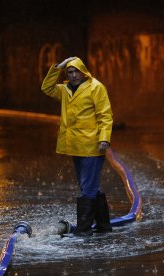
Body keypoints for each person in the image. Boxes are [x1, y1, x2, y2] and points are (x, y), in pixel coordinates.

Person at [41, 57, 113, 236]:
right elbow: (47, 88)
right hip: (75, 146)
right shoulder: (65, 90)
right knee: (88, 186)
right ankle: (103, 225)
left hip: (91, 146)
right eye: (70, 72)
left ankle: (83, 229)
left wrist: (104, 138)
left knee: (88, 187)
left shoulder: (96, 87)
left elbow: (105, 114)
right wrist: (58, 68)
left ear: (83, 71)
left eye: (75, 71)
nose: (73, 75)